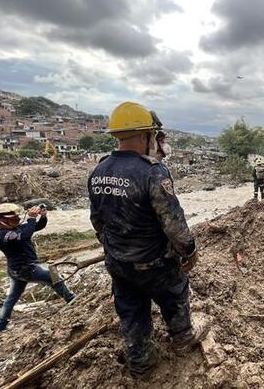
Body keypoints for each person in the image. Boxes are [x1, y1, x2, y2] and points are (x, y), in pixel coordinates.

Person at [88, 102, 207, 378]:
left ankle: (140, 362)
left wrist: (116, 249)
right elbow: (172, 222)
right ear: (145, 136)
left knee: (131, 310)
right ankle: (183, 337)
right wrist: (189, 251)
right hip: (154, 263)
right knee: (175, 290)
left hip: (118, 263)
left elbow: (98, 221)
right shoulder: (152, 171)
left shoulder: (99, 171)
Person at [0, 203, 76, 332]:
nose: (18, 220)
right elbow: (24, 236)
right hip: (24, 269)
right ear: (3, 220)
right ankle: (71, 300)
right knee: (52, 277)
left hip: (17, 270)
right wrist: (31, 218)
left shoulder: (17, 229)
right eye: (14, 218)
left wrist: (43, 216)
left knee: (11, 298)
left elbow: (38, 226)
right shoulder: (0, 235)